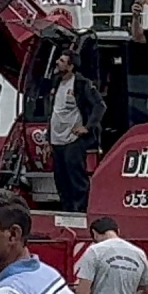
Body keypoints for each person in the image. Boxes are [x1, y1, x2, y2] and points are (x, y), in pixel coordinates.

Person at [44, 51, 104, 213]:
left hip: (73, 139)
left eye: (62, 61)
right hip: (56, 140)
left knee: (76, 178)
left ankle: (81, 211)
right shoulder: (55, 83)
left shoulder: (82, 84)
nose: (57, 62)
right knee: (60, 179)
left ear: (71, 66)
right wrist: (48, 139)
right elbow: (53, 112)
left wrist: (87, 127)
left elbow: (100, 106)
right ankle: (66, 210)